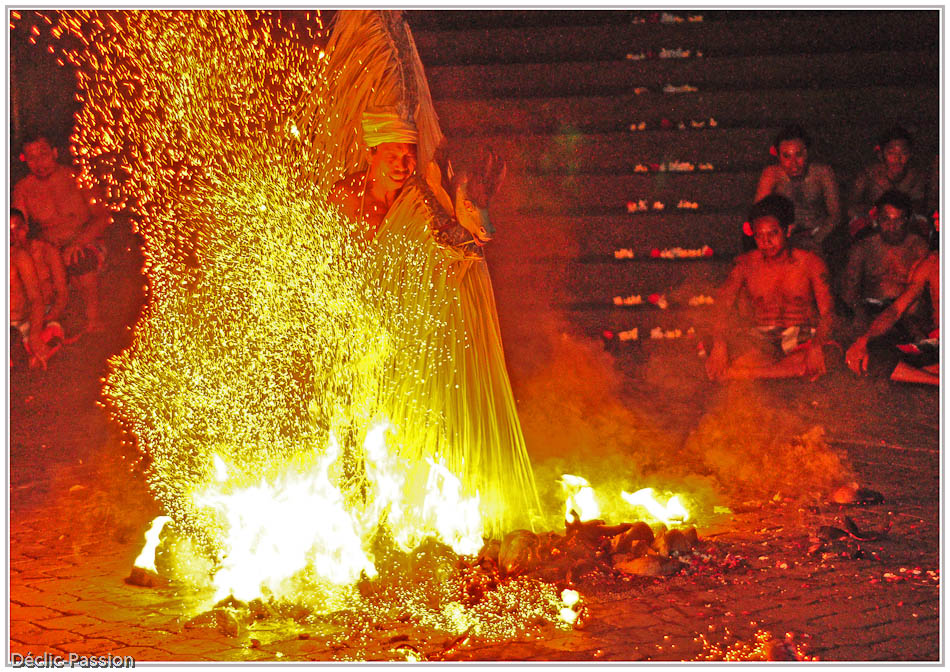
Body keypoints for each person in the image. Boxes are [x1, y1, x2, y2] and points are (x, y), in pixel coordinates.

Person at [317, 11, 540, 535]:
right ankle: (351, 510)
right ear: (372, 155)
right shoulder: (345, 199)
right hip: (357, 318)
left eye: (409, 154)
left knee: (401, 417)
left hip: (405, 326)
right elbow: (327, 261)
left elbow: (461, 243)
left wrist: (474, 214)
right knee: (349, 414)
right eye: (393, 155)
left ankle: (409, 510)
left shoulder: (419, 201)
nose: (402, 163)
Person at [706, 195, 837, 381]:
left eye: (772, 234)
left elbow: (828, 313)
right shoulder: (745, 264)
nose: (766, 242)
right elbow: (721, 307)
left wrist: (816, 345)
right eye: (759, 236)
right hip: (760, 340)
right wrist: (719, 344)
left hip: (801, 337)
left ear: (787, 230)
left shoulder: (811, 263)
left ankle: (744, 374)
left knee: (827, 356)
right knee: (731, 355)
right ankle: (778, 371)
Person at [12, 132, 112, 333]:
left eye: (43, 154)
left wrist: (78, 242)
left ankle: (92, 319)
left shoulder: (78, 178)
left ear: (55, 152)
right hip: (50, 248)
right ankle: (37, 323)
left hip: (84, 241)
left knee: (79, 259)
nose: (39, 163)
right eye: (31, 158)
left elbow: (103, 217)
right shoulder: (23, 189)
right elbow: (18, 229)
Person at [842, 190, 929, 335]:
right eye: (886, 220)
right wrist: (861, 316)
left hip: (908, 317)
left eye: (898, 220)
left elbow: (926, 293)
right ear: (877, 219)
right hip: (871, 314)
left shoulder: (919, 248)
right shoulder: (863, 248)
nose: (891, 227)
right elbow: (849, 292)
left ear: (907, 220)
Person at [845, 251, 938, 385]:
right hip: (936, 345)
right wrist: (865, 339)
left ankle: (922, 374)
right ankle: (937, 380)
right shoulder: (933, 263)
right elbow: (895, 310)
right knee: (871, 355)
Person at [752, 124, 841, 253]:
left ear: (807, 153)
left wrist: (816, 239)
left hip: (818, 233)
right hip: (785, 237)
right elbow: (758, 214)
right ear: (778, 156)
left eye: (798, 155)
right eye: (786, 156)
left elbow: (835, 214)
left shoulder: (822, 173)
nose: (793, 163)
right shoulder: (772, 174)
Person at [847, 126, 928, 232]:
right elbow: (850, 208)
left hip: (904, 226)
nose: (897, 158)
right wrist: (875, 212)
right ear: (881, 155)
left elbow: (919, 207)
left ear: (910, 154)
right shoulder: (868, 176)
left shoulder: (916, 177)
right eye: (891, 153)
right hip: (873, 224)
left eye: (903, 153)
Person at [10, 209, 56, 368]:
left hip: (18, 325)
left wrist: (35, 335)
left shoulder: (19, 257)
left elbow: (36, 298)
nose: (11, 234)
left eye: (16, 228)